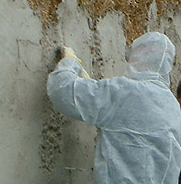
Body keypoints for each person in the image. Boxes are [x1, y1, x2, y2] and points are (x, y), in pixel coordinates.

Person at [47, 32, 181, 183]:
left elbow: (63, 91)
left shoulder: (124, 92)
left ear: (141, 56)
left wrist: (69, 62)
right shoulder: (173, 106)